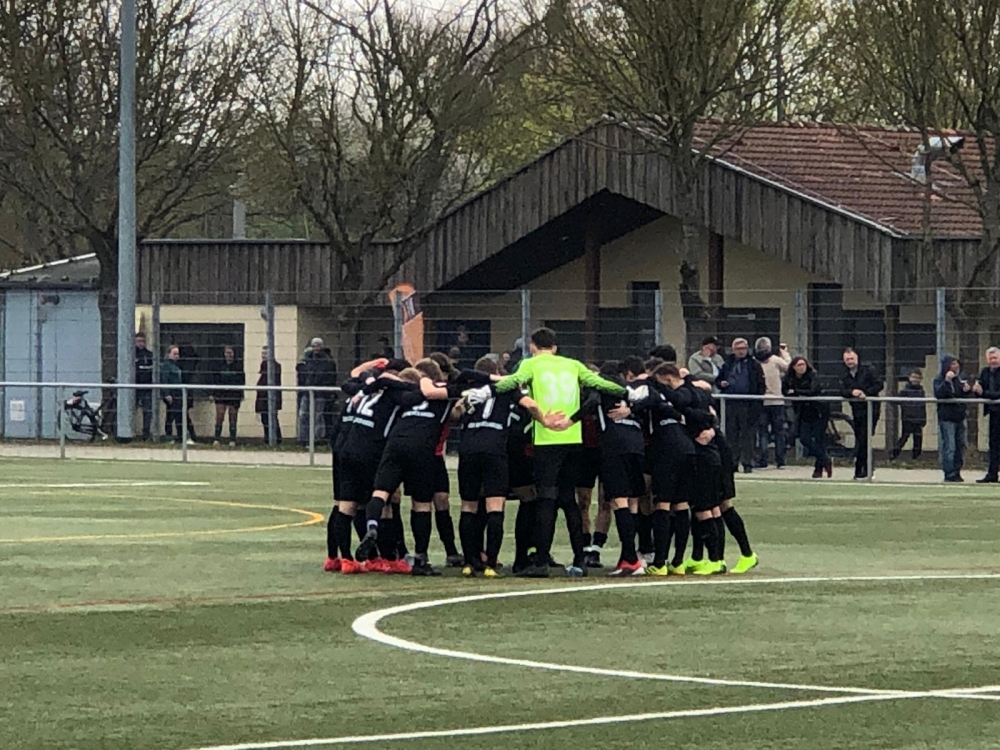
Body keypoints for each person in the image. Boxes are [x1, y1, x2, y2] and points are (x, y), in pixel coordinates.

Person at [494, 327, 627, 578]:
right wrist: (626, 393)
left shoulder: (530, 364)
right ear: (555, 347)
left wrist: (491, 386)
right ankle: (579, 559)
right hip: (573, 438)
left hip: (546, 438)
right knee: (569, 499)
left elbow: (510, 383)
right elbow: (602, 385)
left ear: (533, 347)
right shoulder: (573, 365)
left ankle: (541, 560)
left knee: (546, 498)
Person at [452, 357, 547, 578]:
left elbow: (455, 412)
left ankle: (470, 562)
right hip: (494, 447)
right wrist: (546, 421)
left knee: (468, 506)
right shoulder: (506, 389)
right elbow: (531, 405)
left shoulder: (470, 390)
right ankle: (491, 564)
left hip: (468, 447)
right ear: (497, 372)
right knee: (495, 505)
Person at [718, 338, 766, 473]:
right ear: (733, 350)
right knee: (731, 434)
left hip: (748, 404)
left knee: (748, 435)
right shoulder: (727, 363)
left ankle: (747, 463)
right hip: (731, 403)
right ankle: (733, 462)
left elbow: (761, 384)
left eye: (743, 348)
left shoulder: (754, 364)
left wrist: (757, 402)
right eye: (738, 349)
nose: (741, 351)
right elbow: (719, 379)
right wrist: (721, 383)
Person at [784, 356, 831, 479]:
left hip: (818, 411)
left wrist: (796, 392)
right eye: (798, 365)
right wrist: (796, 393)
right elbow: (785, 390)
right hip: (803, 412)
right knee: (804, 439)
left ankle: (818, 469)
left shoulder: (813, 375)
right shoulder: (789, 378)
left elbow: (813, 390)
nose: (801, 367)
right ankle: (825, 458)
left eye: (803, 364)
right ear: (793, 367)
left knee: (819, 440)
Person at [839, 348, 883, 480]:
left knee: (864, 439)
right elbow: (842, 390)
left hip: (871, 409)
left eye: (851, 358)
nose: (850, 361)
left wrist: (865, 393)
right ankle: (864, 469)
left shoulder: (869, 370)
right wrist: (852, 392)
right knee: (861, 439)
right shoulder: (844, 374)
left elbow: (879, 385)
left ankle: (862, 470)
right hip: (857, 410)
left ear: (857, 358)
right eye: (847, 359)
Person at [754, 337, 791, 469]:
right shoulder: (775, 360)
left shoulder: (755, 361)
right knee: (778, 432)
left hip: (761, 401)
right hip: (776, 400)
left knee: (763, 431)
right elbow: (789, 367)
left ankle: (763, 459)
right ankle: (780, 460)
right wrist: (785, 353)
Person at [934, 355, 971, 483]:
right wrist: (947, 381)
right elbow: (940, 394)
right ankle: (949, 473)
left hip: (959, 417)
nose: (956, 366)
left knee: (960, 445)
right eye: (953, 364)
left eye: (957, 364)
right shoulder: (939, 379)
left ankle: (957, 471)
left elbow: (961, 396)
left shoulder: (960, 379)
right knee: (950, 446)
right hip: (947, 418)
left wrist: (967, 391)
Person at [298, 338, 338, 445]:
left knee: (317, 416)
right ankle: (304, 439)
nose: (316, 348)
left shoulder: (327, 361)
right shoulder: (306, 359)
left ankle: (317, 439)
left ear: (321, 346)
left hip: (320, 393)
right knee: (303, 415)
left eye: (318, 345)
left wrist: (327, 391)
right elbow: (302, 374)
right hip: (306, 392)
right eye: (314, 345)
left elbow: (331, 377)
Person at [974, 348, 1000, 483]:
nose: (993, 361)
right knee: (993, 445)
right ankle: (992, 474)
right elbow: (979, 390)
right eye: (990, 358)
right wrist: (975, 390)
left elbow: (996, 394)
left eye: (995, 358)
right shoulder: (985, 372)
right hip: (994, 413)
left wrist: (983, 393)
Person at [212, 346, 245, 447]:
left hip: (233, 394)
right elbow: (214, 380)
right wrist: (213, 393)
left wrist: (240, 394)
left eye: (230, 353)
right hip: (221, 394)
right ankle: (217, 438)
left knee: (233, 417)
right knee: (220, 416)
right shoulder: (219, 366)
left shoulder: (238, 366)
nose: (229, 355)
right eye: (227, 353)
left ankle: (232, 439)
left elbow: (241, 381)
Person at [891, 370, 926, 462]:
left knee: (918, 439)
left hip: (918, 418)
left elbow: (923, 406)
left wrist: (924, 418)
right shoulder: (905, 391)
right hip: (908, 418)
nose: (915, 379)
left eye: (917, 378)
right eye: (913, 377)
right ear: (909, 378)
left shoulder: (921, 391)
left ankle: (916, 457)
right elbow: (896, 401)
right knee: (904, 437)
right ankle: (894, 454)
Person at [255, 347, 282, 444]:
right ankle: (268, 437)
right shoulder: (264, 366)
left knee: (271, 418)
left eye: (266, 353)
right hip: (263, 397)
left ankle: (274, 438)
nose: (263, 356)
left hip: (270, 397)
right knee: (265, 418)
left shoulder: (274, 366)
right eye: (263, 353)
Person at [160, 345, 184, 443]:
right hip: (172, 394)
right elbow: (164, 380)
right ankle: (169, 435)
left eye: (178, 354)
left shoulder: (176, 365)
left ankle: (180, 436)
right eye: (174, 354)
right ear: (168, 354)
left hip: (178, 393)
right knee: (171, 415)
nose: (177, 356)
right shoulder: (166, 366)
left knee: (179, 416)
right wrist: (167, 393)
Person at [134, 332, 154, 441]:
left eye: (142, 341)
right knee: (132, 410)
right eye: (138, 341)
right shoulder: (131, 355)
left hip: (146, 388)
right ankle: (129, 432)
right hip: (133, 388)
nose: (140, 343)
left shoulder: (149, 355)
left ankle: (146, 434)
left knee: (147, 411)